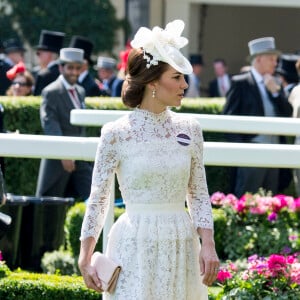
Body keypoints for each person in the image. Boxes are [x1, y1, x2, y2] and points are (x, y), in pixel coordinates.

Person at [78, 19, 219, 300]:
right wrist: (85, 255)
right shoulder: (115, 133)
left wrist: (209, 244)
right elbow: (99, 198)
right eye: (176, 77)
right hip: (133, 243)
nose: (185, 84)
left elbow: (199, 194)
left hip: (181, 241)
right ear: (153, 82)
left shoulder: (190, 129)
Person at [223, 37, 293, 197]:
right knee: (246, 198)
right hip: (251, 152)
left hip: (274, 152)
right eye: (271, 59)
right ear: (259, 59)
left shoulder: (275, 82)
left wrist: (276, 92)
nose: (275, 63)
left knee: (271, 200)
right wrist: (241, 151)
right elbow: (228, 119)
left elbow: (287, 113)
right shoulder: (241, 82)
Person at [36, 47, 93, 199]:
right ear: (61, 67)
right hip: (58, 160)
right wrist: (63, 153)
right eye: (70, 68)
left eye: (77, 68)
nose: (74, 72)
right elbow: (50, 123)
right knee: (51, 206)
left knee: (95, 199)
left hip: (80, 157)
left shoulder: (80, 91)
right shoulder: (51, 91)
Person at [33, 30, 65, 95]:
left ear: (48, 54)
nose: (38, 56)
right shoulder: (66, 73)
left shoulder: (43, 75)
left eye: (39, 53)